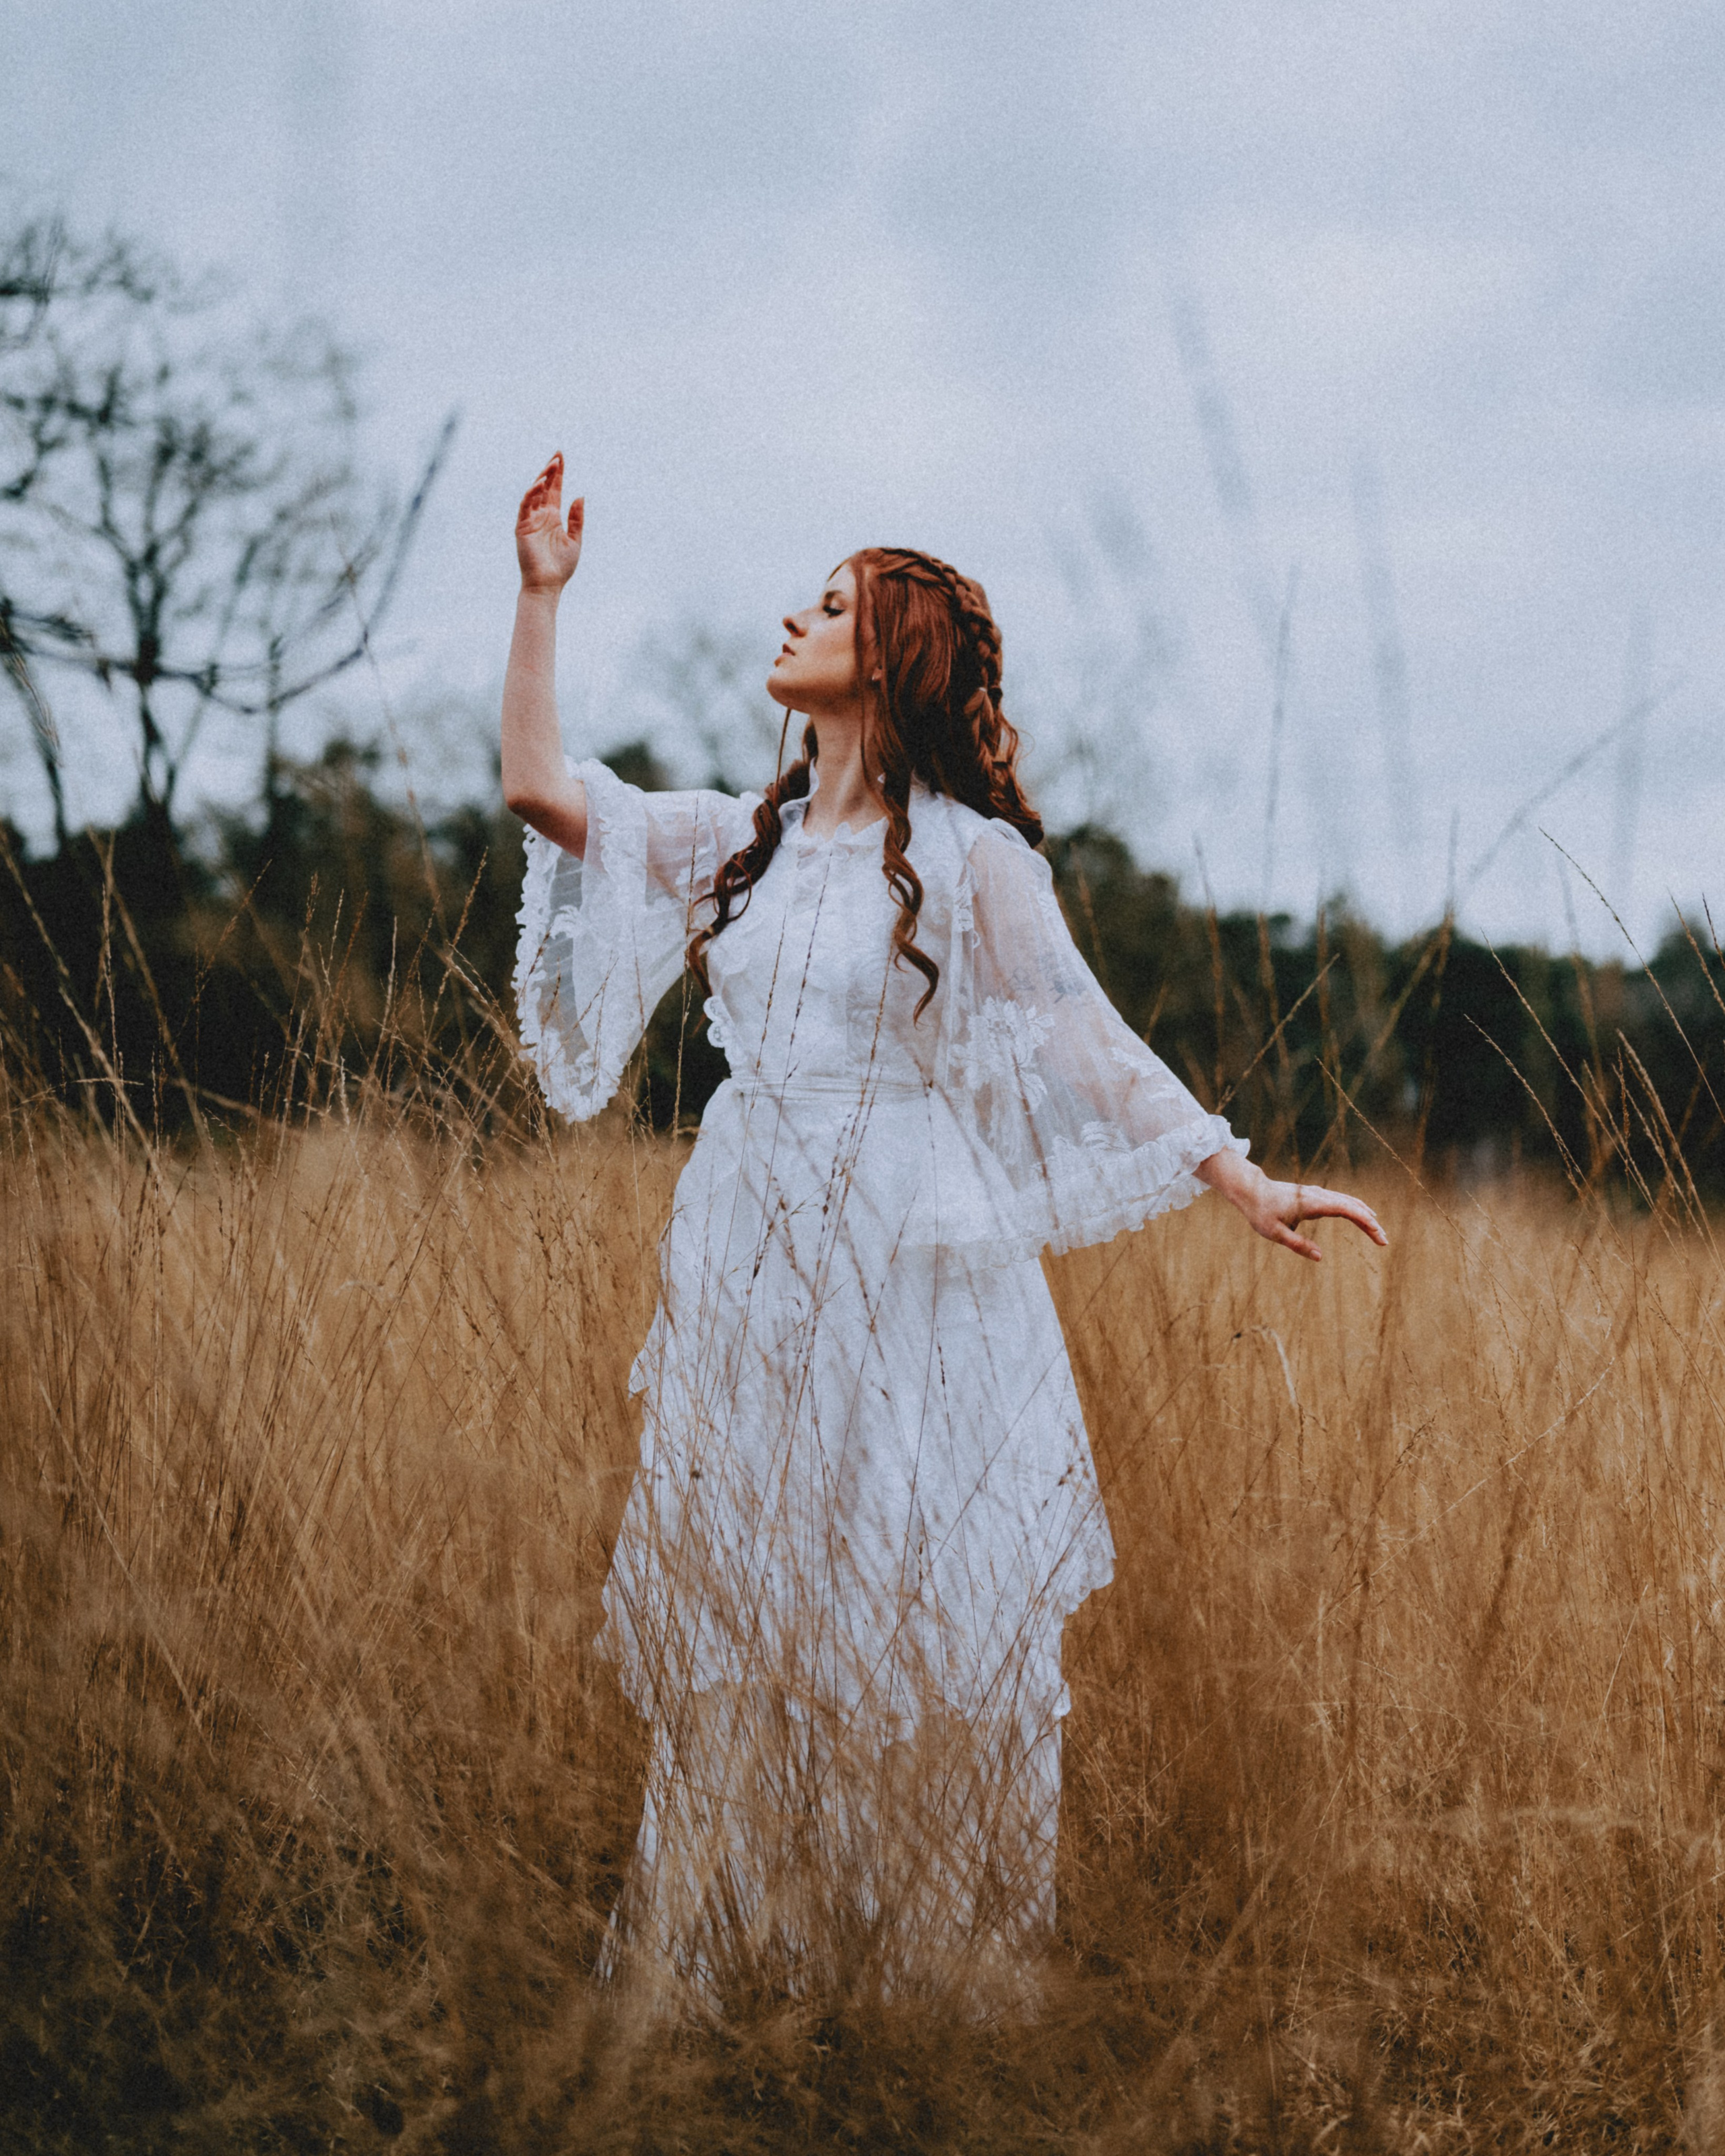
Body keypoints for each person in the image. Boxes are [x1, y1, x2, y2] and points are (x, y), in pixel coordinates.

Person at [503, 453, 1386, 2008]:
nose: (794, 617)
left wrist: (1236, 1177)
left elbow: (1084, 1039)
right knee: (747, 1592)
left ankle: (905, 1976)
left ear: (887, 660)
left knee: (900, 1596)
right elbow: (538, 790)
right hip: (750, 1259)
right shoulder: (742, 839)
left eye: (830, 605)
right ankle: (724, 1955)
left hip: (909, 1270)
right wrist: (539, 595)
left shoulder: (974, 858)